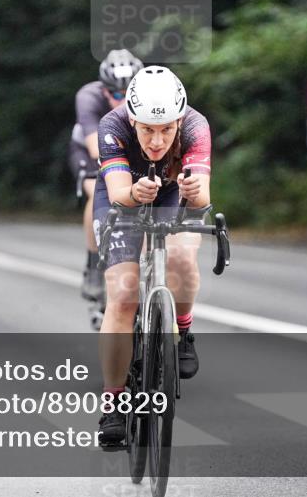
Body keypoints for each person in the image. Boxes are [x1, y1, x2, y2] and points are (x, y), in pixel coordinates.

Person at [93, 66, 212, 446]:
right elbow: (117, 193)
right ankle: (113, 402)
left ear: (179, 119)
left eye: (166, 130)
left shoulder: (195, 125)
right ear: (132, 119)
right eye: (147, 129)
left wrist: (194, 190)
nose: (157, 140)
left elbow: (204, 198)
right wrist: (135, 194)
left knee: (180, 260)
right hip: (125, 196)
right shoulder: (112, 125)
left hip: (175, 194)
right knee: (124, 295)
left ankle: (183, 328)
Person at [69, 49, 143, 303]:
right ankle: (93, 264)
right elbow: (95, 148)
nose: (122, 102)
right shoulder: (88, 97)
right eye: (116, 95)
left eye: (128, 95)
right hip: (91, 152)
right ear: (104, 91)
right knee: (96, 193)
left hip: (133, 151)